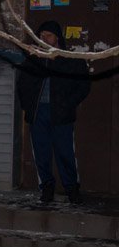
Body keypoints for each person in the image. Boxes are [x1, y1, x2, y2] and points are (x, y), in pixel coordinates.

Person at [15, 20, 90, 204]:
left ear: (57, 37)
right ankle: (47, 188)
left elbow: (83, 85)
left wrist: (68, 104)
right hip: (38, 114)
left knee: (65, 152)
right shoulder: (33, 60)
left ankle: (72, 189)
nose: (44, 38)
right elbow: (22, 85)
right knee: (41, 153)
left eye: (48, 35)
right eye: (41, 36)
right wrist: (28, 106)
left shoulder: (69, 60)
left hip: (61, 115)